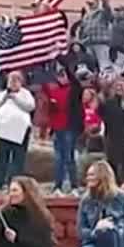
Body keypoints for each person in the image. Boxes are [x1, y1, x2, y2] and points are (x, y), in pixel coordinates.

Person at [0, 71, 35, 190]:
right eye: (11, 80)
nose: (13, 83)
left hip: (20, 132)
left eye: (16, 80)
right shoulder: (3, 94)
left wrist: (15, 98)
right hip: (4, 131)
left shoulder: (25, 94)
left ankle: (14, 183)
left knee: (18, 159)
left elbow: (30, 106)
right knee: (2, 158)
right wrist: (5, 96)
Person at [44, 63, 83, 194]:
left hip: (69, 128)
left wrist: (62, 60)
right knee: (58, 159)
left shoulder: (74, 90)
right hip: (57, 128)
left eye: (63, 75)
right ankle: (58, 185)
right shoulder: (54, 91)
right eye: (59, 76)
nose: (61, 78)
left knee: (69, 157)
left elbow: (75, 82)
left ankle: (74, 185)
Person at [99, 79, 124, 183]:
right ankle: (113, 184)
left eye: (122, 86)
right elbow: (101, 113)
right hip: (111, 136)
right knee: (112, 163)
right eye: (117, 86)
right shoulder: (109, 102)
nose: (119, 88)